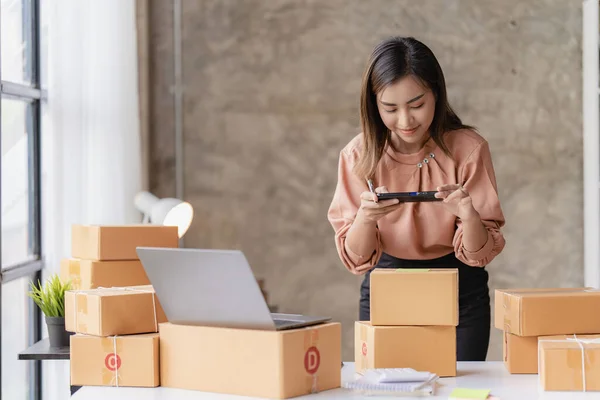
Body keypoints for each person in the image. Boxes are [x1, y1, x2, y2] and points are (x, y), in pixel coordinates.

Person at [327, 36, 506, 361]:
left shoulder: (468, 149)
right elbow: (355, 260)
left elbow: (481, 254)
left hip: (460, 291)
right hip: (387, 288)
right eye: (390, 108)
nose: (406, 121)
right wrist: (366, 219)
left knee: (457, 392)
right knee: (387, 390)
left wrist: (469, 215)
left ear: (436, 93)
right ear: (373, 104)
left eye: (417, 104)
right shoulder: (358, 156)